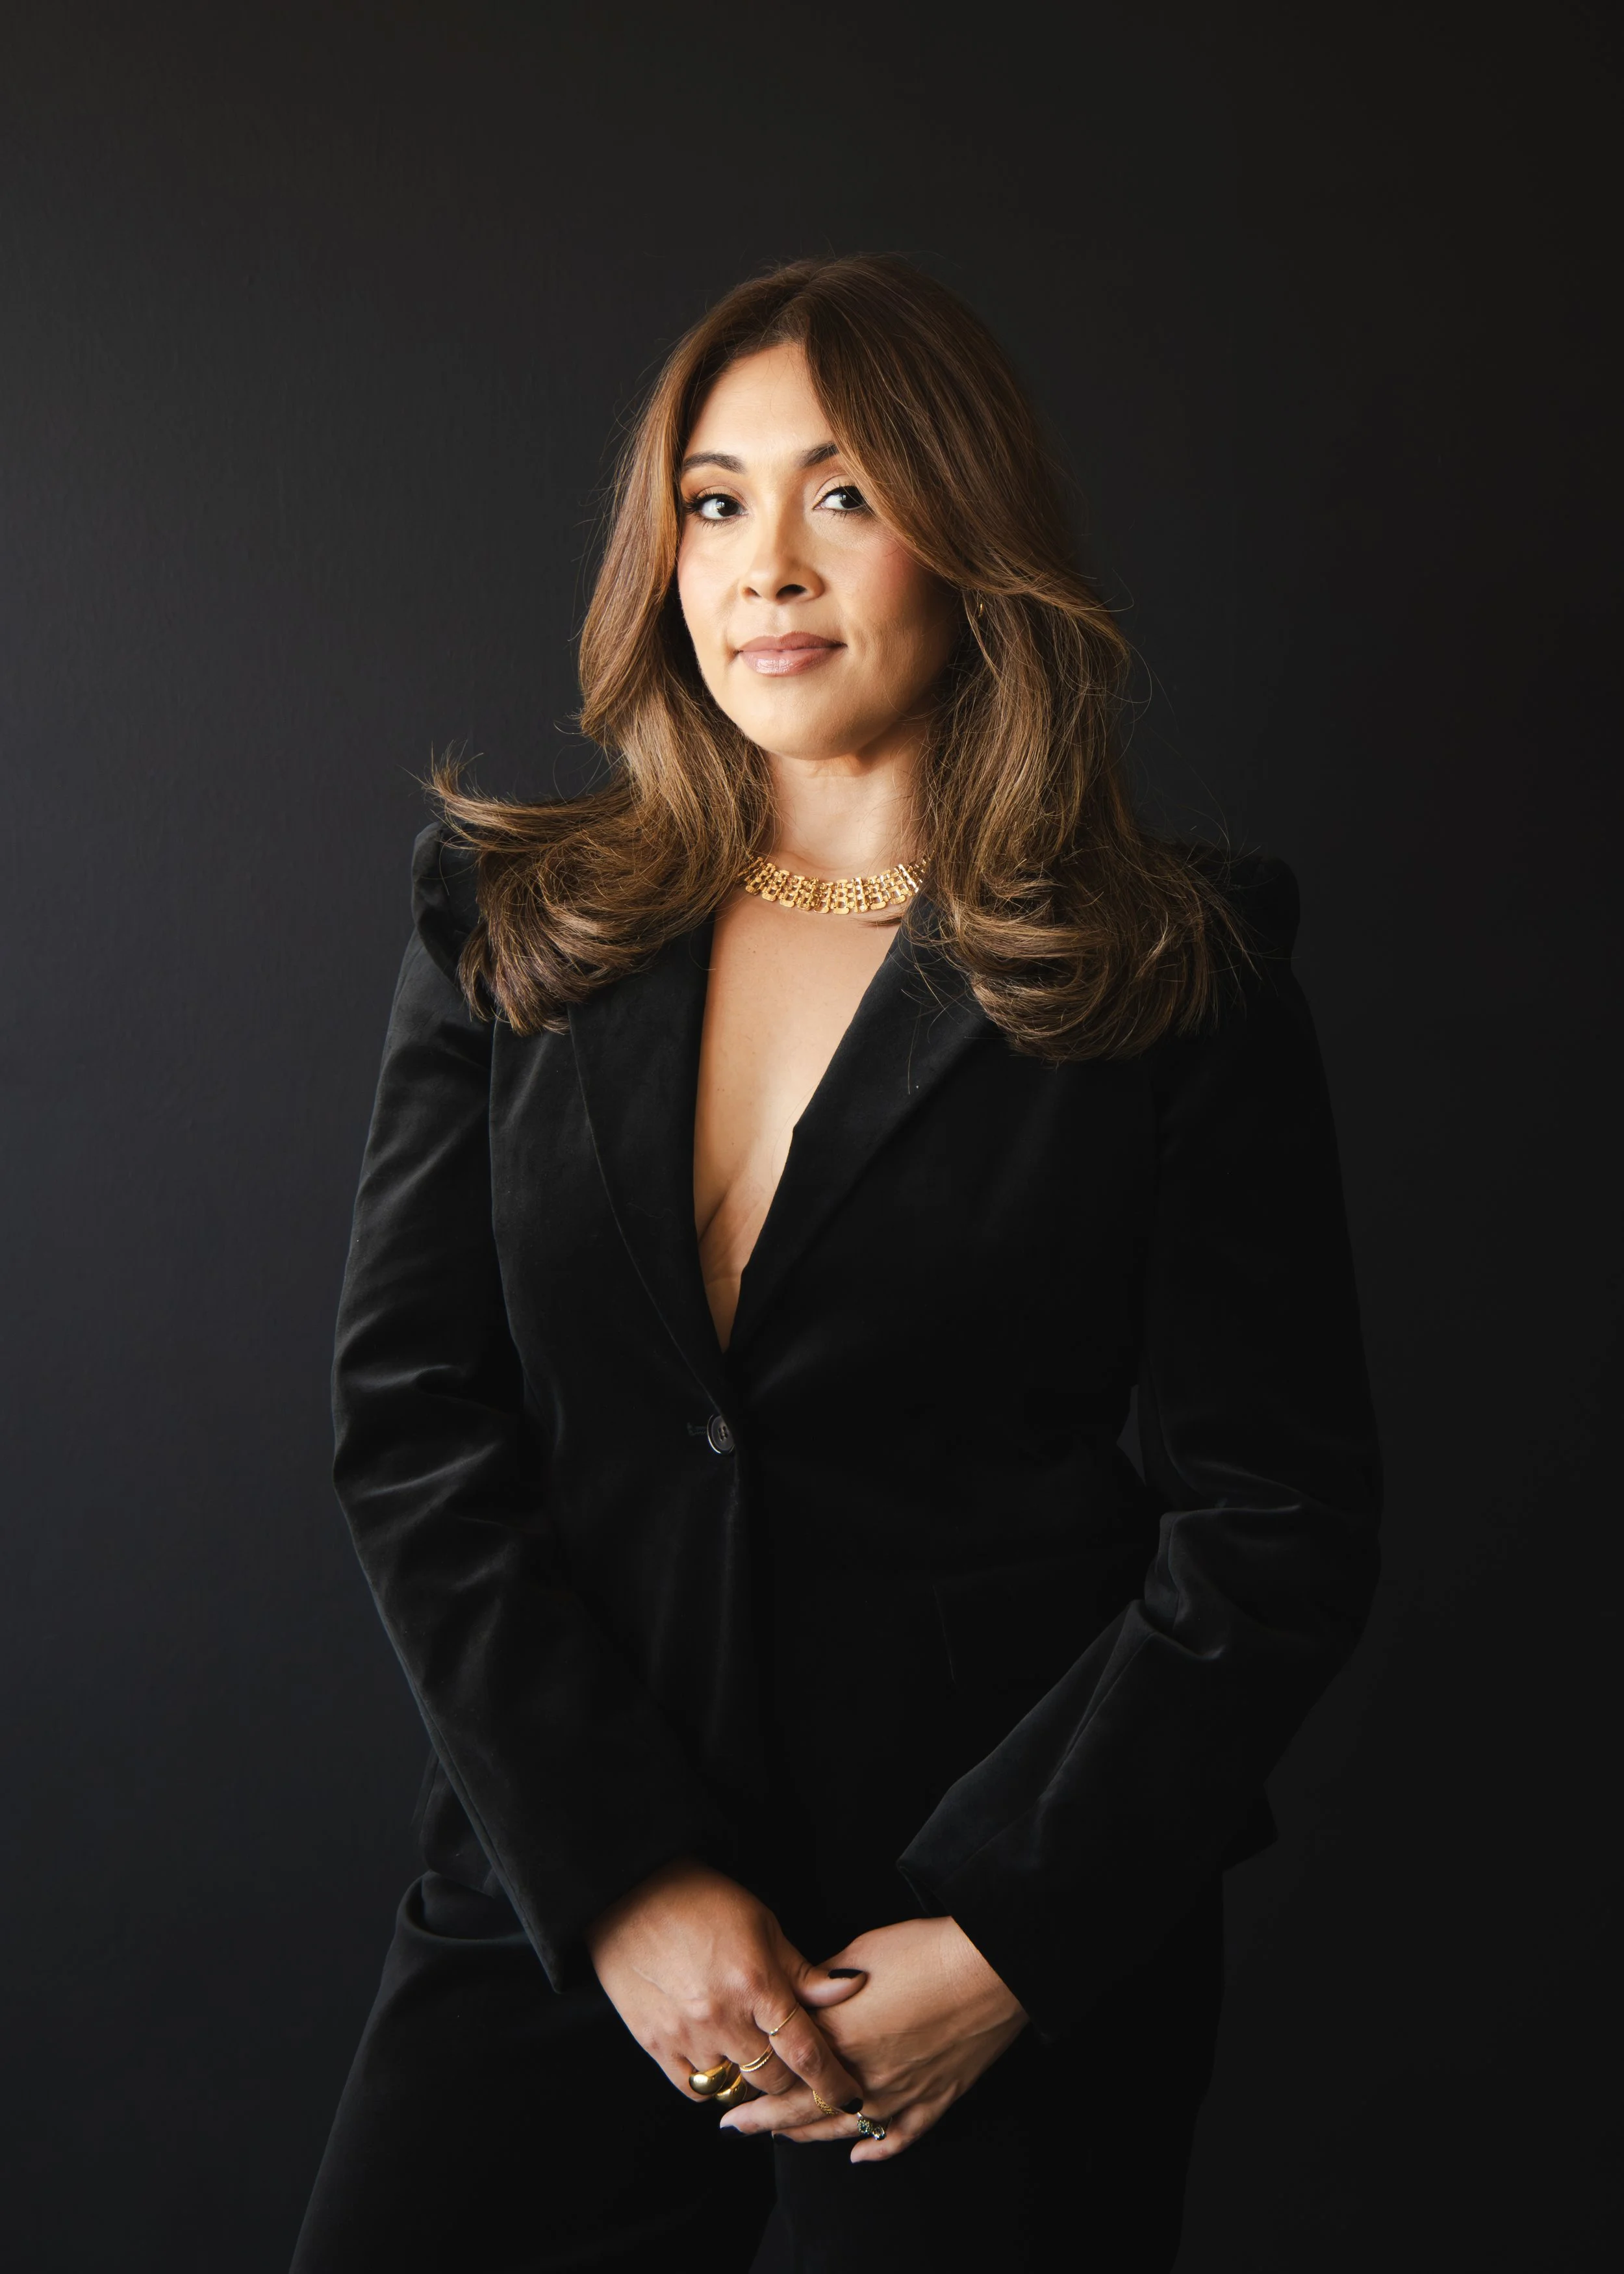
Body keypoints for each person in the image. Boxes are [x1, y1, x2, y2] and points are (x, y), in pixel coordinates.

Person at [290, 254, 1381, 2273]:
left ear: (971, 538)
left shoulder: (1172, 965)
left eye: (843, 495)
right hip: (566, 1911)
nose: (764, 566)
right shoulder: (514, 921)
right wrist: (622, 1881)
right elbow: (410, 1423)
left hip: (980, 1976)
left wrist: (1004, 1942)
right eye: (713, 503)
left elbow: (1274, 1520)